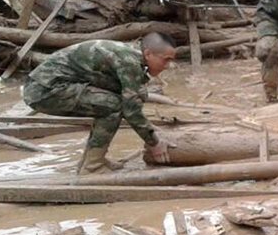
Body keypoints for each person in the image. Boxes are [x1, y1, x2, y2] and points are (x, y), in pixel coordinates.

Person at [23, 34, 176, 173]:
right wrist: (154, 142)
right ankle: (93, 166)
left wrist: (150, 129)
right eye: (166, 59)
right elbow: (130, 110)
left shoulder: (131, 54)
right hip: (44, 91)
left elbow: (133, 97)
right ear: (148, 53)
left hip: (50, 86)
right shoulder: (129, 61)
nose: (168, 65)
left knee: (124, 99)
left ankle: (91, 160)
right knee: (112, 106)